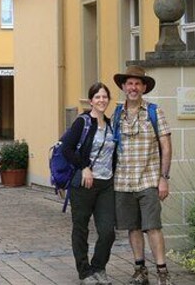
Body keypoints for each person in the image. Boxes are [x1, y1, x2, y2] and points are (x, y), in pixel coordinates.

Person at [113, 65, 173, 285]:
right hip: (123, 181)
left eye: (138, 83)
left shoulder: (154, 111)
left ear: (144, 87)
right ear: (123, 86)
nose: (133, 87)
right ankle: (140, 269)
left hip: (149, 179)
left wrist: (163, 177)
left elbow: (166, 146)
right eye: (129, 83)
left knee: (153, 227)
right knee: (133, 227)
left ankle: (162, 272)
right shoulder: (117, 113)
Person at [63, 82, 117, 285]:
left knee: (107, 231)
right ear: (91, 100)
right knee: (81, 229)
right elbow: (67, 149)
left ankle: (98, 267)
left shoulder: (111, 124)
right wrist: (84, 166)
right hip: (84, 185)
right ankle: (85, 273)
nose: (101, 100)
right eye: (97, 97)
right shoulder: (82, 122)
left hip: (106, 184)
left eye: (104, 97)